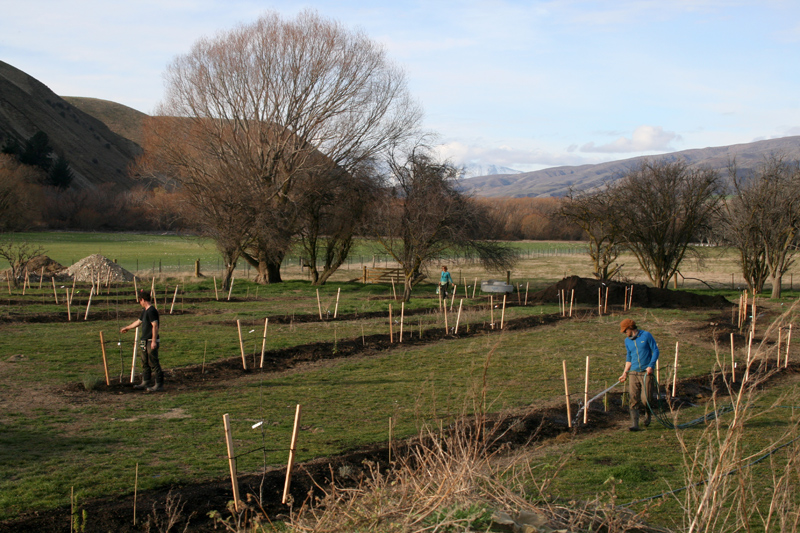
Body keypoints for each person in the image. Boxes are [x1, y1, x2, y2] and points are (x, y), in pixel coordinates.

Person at [618, 319, 659, 431]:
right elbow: (629, 357)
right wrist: (624, 373)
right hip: (633, 373)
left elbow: (655, 351)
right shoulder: (627, 341)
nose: (625, 333)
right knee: (633, 398)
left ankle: (648, 413)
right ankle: (635, 424)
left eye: (625, 331)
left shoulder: (646, 335)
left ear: (631, 328)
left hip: (646, 372)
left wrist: (651, 366)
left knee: (646, 399)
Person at [121, 289, 164, 392]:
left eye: (140, 301)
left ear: (143, 300)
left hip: (150, 340)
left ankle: (158, 384)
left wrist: (154, 341)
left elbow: (155, 326)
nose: (140, 303)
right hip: (144, 340)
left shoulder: (152, 311)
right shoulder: (145, 311)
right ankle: (146, 381)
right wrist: (127, 328)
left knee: (153, 362)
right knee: (144, 362)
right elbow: (138, 322)